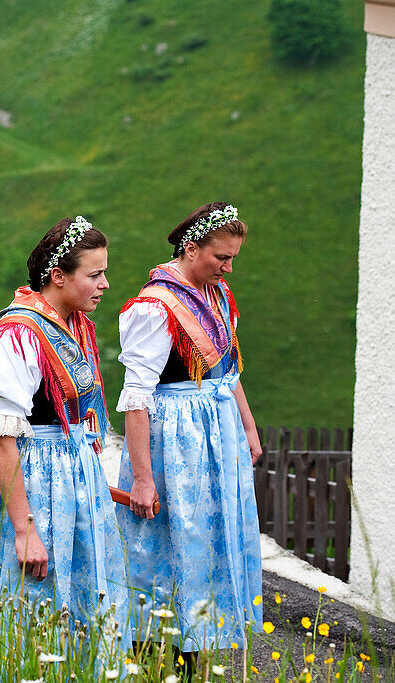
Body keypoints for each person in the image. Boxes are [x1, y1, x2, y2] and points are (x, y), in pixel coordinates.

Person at [0, 217, 130, 650]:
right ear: (58, 276)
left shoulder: (73, 324)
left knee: (80, 592)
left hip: (74, 476)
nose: (105, 284)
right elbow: (1, 440)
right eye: (95, 274)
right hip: (35, 479)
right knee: (33, 596)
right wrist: (23, 529)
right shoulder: (17, 335)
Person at [116, 202, 262, 653]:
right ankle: (157, 649)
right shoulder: (156, 306)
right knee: (170, 538)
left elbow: (228, 371)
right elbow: (136, 397)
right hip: (176, 441)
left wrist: (248, 429)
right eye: (222, 257)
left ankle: (200, 643)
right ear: (191, 247)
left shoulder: (216, 293)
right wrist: (142, 478)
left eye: (233, 257)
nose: (229, 268)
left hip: (217, 433)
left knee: (210, 536)